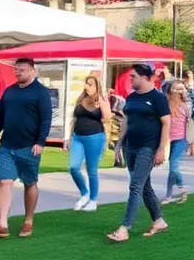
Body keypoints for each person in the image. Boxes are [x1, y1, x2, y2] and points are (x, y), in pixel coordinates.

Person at [0, 57, 51, 239]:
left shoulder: (40, 92)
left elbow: (46, 118)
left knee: (30, 183)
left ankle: (28, 221)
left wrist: (41, 142)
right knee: (4, 182)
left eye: (22, 69)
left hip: (30, 146)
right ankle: (2, 224)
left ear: (32, 71)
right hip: (7, 145)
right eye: (16, 69)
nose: (18, 72)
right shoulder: (10, 91)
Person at [108, 64, 171, 242]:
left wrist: (161, 149)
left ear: (144, 77)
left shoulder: (158, 98)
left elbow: (166, 123)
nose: (130, 79)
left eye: (133, 76)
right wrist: (119, 143)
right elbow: (126, 120)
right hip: (131, 146)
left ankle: (124, 227)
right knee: (144, 186)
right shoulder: (132, 97)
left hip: (148, 147)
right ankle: (159, 221)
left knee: (135, 186)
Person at [65, 73, 111, 212]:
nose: (87, 87)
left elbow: (107, 118)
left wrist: (102, 104)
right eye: (86, 83)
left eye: (90, 84)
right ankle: (85, 193)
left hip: (94, 137)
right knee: (74, 167)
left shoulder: (101, 100)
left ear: (97, 87)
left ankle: (93, 200)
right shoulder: (81, 99)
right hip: (78, 137)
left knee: (92, 170)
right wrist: (69, 137)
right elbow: (74, 119)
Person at [163, 79, 192, 204]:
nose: (179, 91)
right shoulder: (165, 103)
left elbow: (190, 120)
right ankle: (169, 195)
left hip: (181, 139)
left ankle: (182, 186)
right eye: (176, 88)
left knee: (173, 165)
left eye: (181, 88)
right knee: (172, 168)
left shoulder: (185, 105)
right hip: (169, 139)